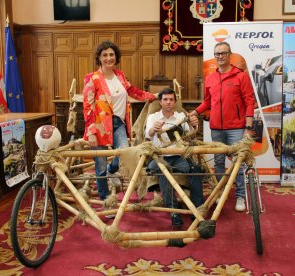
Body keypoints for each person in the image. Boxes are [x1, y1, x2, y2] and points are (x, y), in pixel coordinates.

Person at [82, 41, 156, 203]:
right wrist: (91, 132)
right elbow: (87, 107)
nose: (109, 58)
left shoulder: (120, 76)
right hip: (100, 126)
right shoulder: (92, 78)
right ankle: (105, 198)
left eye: (111, 54)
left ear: (116, 57)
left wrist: (151, 96)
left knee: (124, 153)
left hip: (118, 123)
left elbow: (132, 91)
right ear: (99, 58)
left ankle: (112, 170)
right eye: (105, 55)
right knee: (99, 164)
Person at [190, 41, 255, 212]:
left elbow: (249, 101)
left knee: (237, 162)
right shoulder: (210, 78)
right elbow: (207, 102)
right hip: (216, 128)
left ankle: (240, 196)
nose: (220, 57)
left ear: (230, 55)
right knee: (218, 163)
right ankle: (219, 193)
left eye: (223, 53)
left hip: (236, 128)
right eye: (217, 54)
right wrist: (195, 112)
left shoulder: (240, 76)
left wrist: (248, 126)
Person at [145, 88, 204, 228]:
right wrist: (154, 128)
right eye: (165, 99)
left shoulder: (180, 117)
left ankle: (196, 209)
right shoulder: (153, 117)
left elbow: (191, 135)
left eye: (171, 99)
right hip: (158, 157)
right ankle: (174, 212)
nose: (168, 102)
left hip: (179, 157)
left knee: (196, 169)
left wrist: (195, 125)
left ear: (175, 102)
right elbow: (148, 136)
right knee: (165, 170)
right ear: (160, 102)